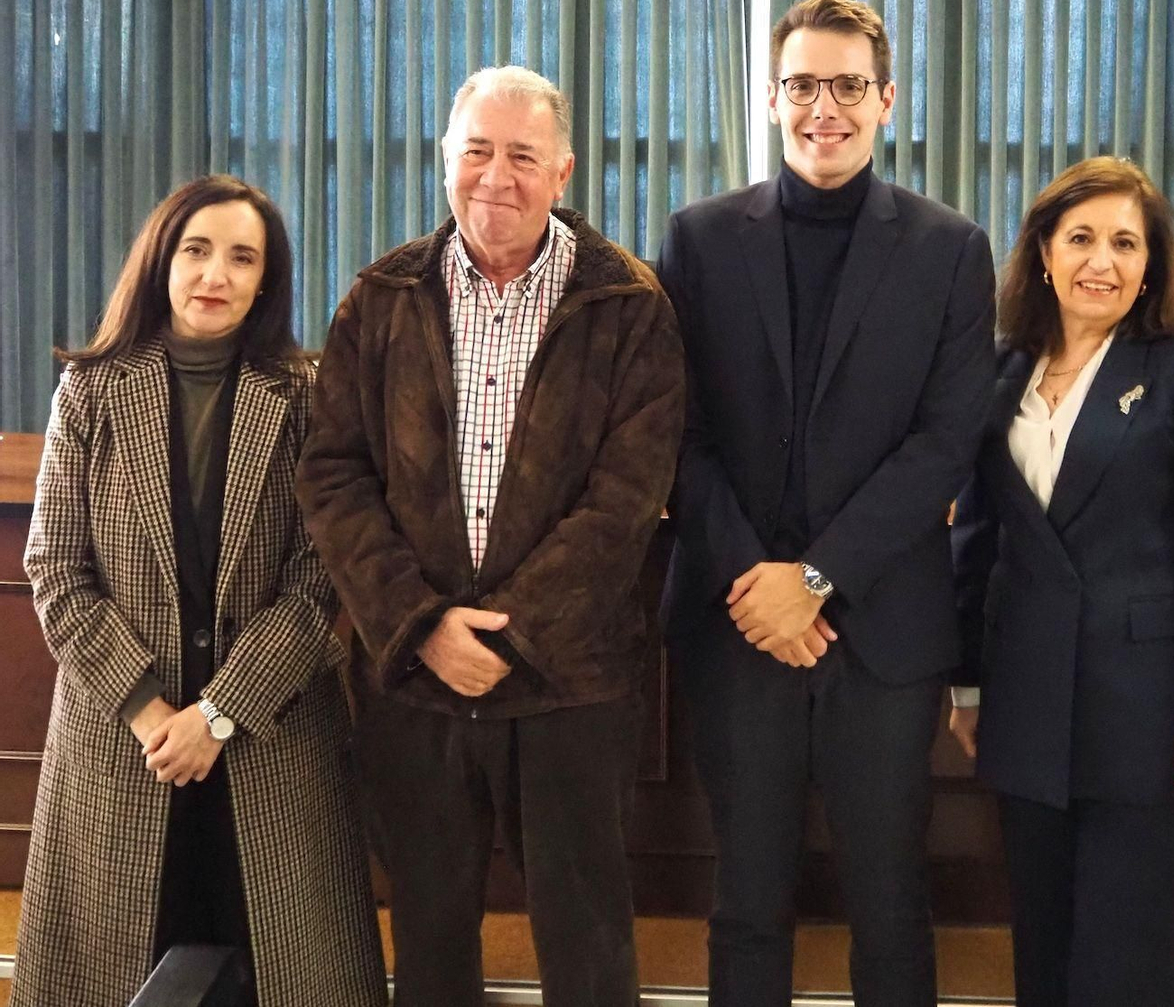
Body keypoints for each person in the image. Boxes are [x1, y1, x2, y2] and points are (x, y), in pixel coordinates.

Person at [296, 65, 684, 1007]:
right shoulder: (381, 297)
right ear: (445, 161)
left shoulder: (629, 305)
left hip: (571, 687)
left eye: (522, 156)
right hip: (415, 686)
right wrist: (424, 626)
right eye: (476, 151)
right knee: (430, 947)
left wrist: (507, 635)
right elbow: (334, 475)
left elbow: (627, 500)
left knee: (587, 950)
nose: (495, 177)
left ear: (564, 172)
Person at [656, 0, 995, 1007]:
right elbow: (675, 433)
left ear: (886, 100)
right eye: (802, 84)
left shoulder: (949, 248)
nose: (824, 108)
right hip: (737, 623)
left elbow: (944, 443)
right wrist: (759, 585)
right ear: (771, 97)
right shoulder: (699, 238)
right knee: (747, 900)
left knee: (889, 901)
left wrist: (814, 578)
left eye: (848, 85)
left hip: (881, 627)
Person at [14, 175, 387, 1007]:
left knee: (286, 975)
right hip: (126, 746)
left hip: (271, 742)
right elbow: (57, 571)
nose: (216, 274)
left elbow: (317, 583)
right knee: (120, 973)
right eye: (197, 250)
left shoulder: (306, 398)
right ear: (162, 261)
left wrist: (217, 716)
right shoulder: (93, 391)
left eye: (242, 258)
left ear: (266, 280)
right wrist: (154, 715)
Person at [947, 156, 1174, 1005]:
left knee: (1128, 963)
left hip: (1149, 715)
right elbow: (977, 536)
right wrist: (968, 685)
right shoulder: (1002, 369)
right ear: (1043, 254)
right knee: (1044, 952)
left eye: (1126, 243)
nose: (1102, 261)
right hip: (1026, 704)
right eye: (1081, 238)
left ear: (1151, 265)